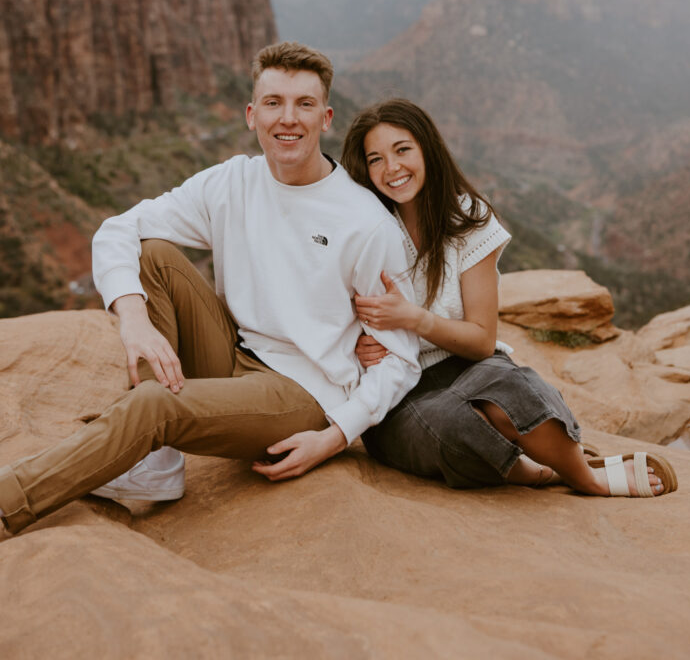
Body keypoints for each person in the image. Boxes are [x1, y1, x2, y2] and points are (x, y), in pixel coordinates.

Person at [0, 44, 422, 535]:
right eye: (273, 103)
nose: (288, 119)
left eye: (304, 104)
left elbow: (400, 357)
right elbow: (118, 229)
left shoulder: (363, 223)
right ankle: (155, 466)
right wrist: (134, 320)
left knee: (152, 407)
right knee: (151, 252)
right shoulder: (233, 183)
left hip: (302, 392)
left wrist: (335, 436)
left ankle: (11, 499)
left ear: (326, 117)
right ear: (251, 115)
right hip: (234, 355)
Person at [340, 99, 678, 498]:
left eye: (402, 150)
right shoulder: (362, 230)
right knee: (454, 425)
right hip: (399, 391)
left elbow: (482, 341)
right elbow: (333, 317)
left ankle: (584, 477)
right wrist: (356, 347)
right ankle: (538, 471)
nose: (391, 168)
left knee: (511, 393)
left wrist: (412, 319)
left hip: (469, 365)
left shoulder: (468, 218)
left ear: (427, 149)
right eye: (376, 159)